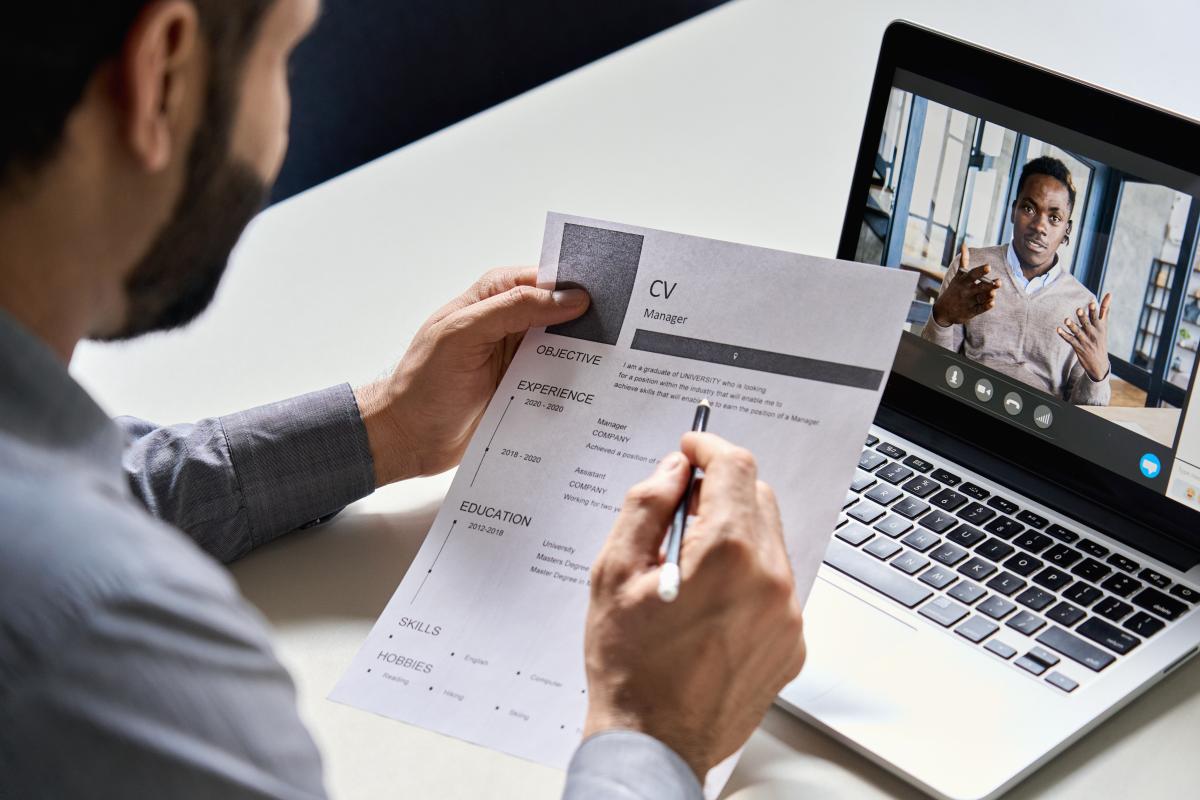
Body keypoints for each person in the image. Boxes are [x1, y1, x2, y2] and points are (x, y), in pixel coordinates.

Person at [0, 2, 806, 798]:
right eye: (286, 60)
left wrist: (387, 427)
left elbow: (106, 486)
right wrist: (653, 733)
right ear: (162, 74)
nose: (281, 124)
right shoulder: (112, 663)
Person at [922, 156, 1113, 405]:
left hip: (1038, 428)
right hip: (965, 405)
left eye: (1054, 218)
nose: (1039, 226)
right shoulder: (969, 269)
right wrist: (942, 318)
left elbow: (1083, 415)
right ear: (1014, 210)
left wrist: (1098, 374)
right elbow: (933, 367)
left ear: (1067, 230)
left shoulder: (1083, 304)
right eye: (1029, 208)